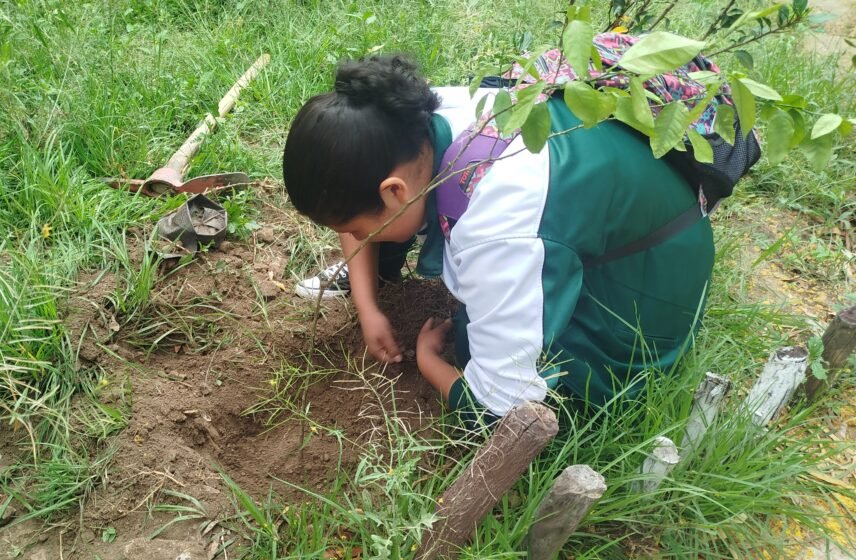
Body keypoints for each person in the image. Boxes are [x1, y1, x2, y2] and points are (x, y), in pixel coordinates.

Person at [283, 55, 714, 423]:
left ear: (393, 191)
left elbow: (504, 410)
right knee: (454, 289)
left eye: (358, 230)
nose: (354, 239)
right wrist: (367, 307)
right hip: (636, 230)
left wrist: (432, 363)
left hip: (644, 309)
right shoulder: (414, 119)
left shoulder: (498, 232)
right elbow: (357, 213)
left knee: (481, 355)